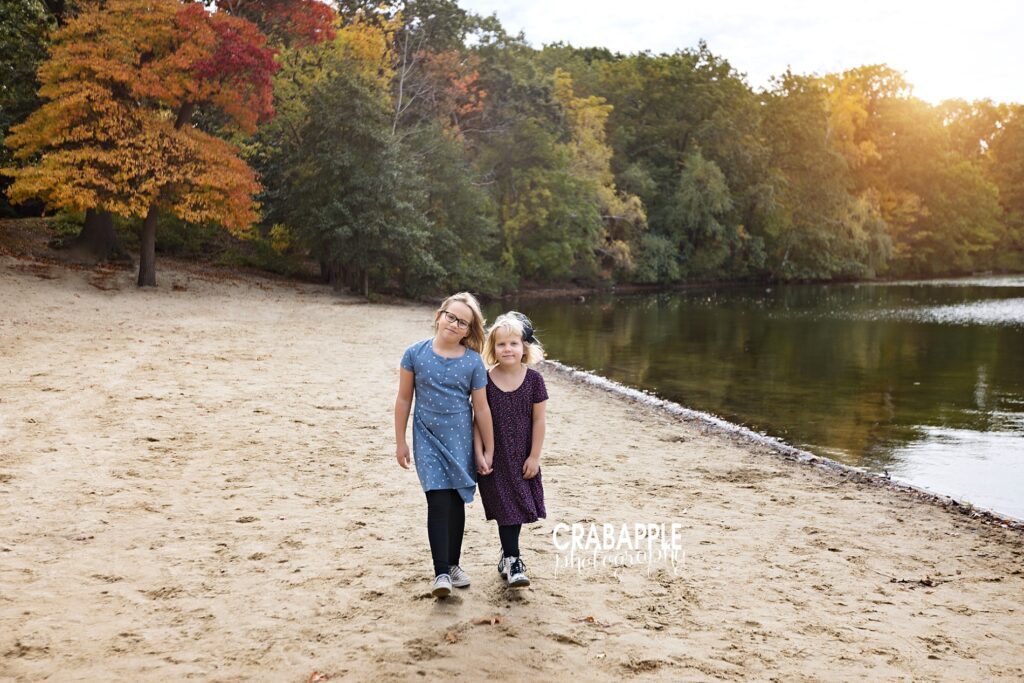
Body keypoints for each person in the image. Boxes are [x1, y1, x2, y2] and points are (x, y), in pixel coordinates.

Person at [395, 293, 494, 598]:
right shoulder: (415, 354)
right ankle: (441, 573)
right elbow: (403, 399)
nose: (454, 324)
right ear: (439, 316)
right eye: (450, 316)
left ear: (468, 330)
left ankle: (453, 564)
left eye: (462, 322)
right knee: (437, 501)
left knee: (455, 501)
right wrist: (400, 442)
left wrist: (487, 449)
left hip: (461, 441)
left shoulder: (472, 362)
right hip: (426, 439)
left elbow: (482, 409)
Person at [474, 312, 548, 588]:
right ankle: (514, 560)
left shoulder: (534, 381)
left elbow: (539, 420)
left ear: (524, 348)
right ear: (492, 349)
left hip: (521, 456)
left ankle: (508, 555)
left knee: (515, 508)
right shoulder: (484, 379)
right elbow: (478, 420)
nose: (507, 349)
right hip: (496, 456)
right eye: (501, 344)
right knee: (506, 508)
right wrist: (479, 452)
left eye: (513, 344)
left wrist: (535, 456)